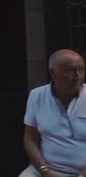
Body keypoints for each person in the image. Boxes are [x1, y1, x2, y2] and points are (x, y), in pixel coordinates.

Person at [20, 49, 86, 177]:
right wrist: (44, 170)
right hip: (47, 169)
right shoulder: (37, 96)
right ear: (53, 73)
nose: (78, 75)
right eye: (70, 70)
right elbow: (30, 139)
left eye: (81, 69)